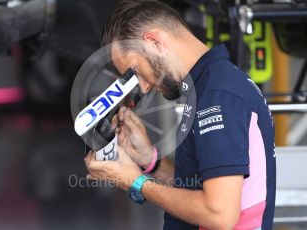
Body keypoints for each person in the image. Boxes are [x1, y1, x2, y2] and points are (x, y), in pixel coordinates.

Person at [84, 0, 276, 229]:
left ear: (154, 41)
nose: (143, 88)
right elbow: (200, 187)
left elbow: (219, 214)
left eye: (135, 73)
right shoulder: (210, 86)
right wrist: (149, 160)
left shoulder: (218, 96)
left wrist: (135, 182)